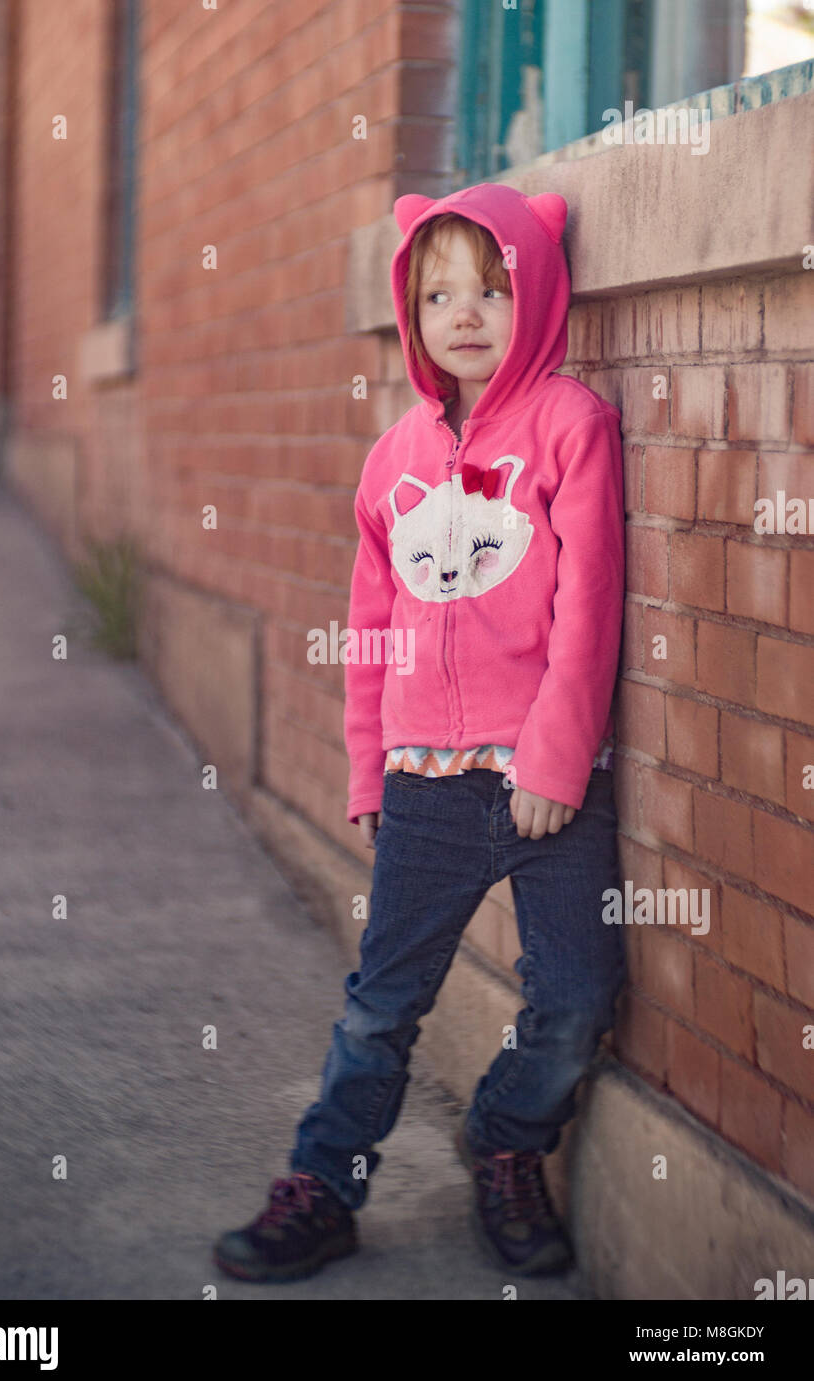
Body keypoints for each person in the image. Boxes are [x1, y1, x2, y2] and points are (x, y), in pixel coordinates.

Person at [213, 182, 627, 1284]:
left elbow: (590, 606)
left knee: (578, 995)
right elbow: (372, 622)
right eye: (439, 290)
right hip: (424, 783)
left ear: (534, 294)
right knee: (381, 1007)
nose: (466, 312)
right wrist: (368, 762)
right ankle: (322, 1183)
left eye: (492, 288)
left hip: (546, 780)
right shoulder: (389, 456)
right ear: (412, 308)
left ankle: (505, 1139)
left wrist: (551, 756)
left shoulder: (570, 426)